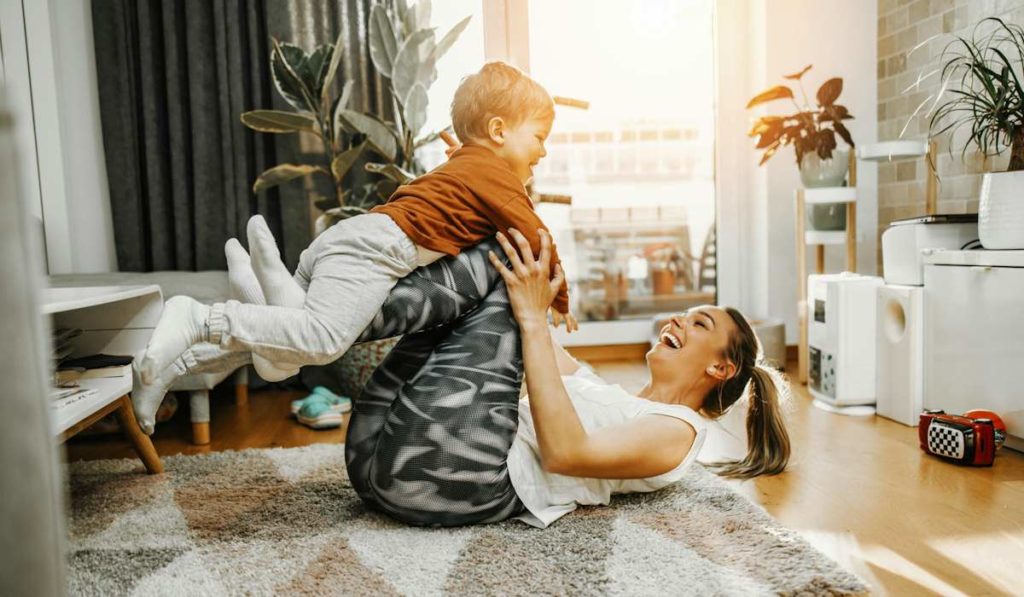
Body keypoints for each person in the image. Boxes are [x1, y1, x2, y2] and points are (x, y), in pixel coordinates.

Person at [131, 61, 578, 433]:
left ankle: (169, 368)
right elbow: (534, 235)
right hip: (374, 250)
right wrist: (558, 298)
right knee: (324, 340)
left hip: (350, 238)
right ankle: (200, 317)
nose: (543, 151)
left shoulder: (462, 165)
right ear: (499, 130)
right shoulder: (494, 174)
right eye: (539, 136)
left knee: (280, 361)